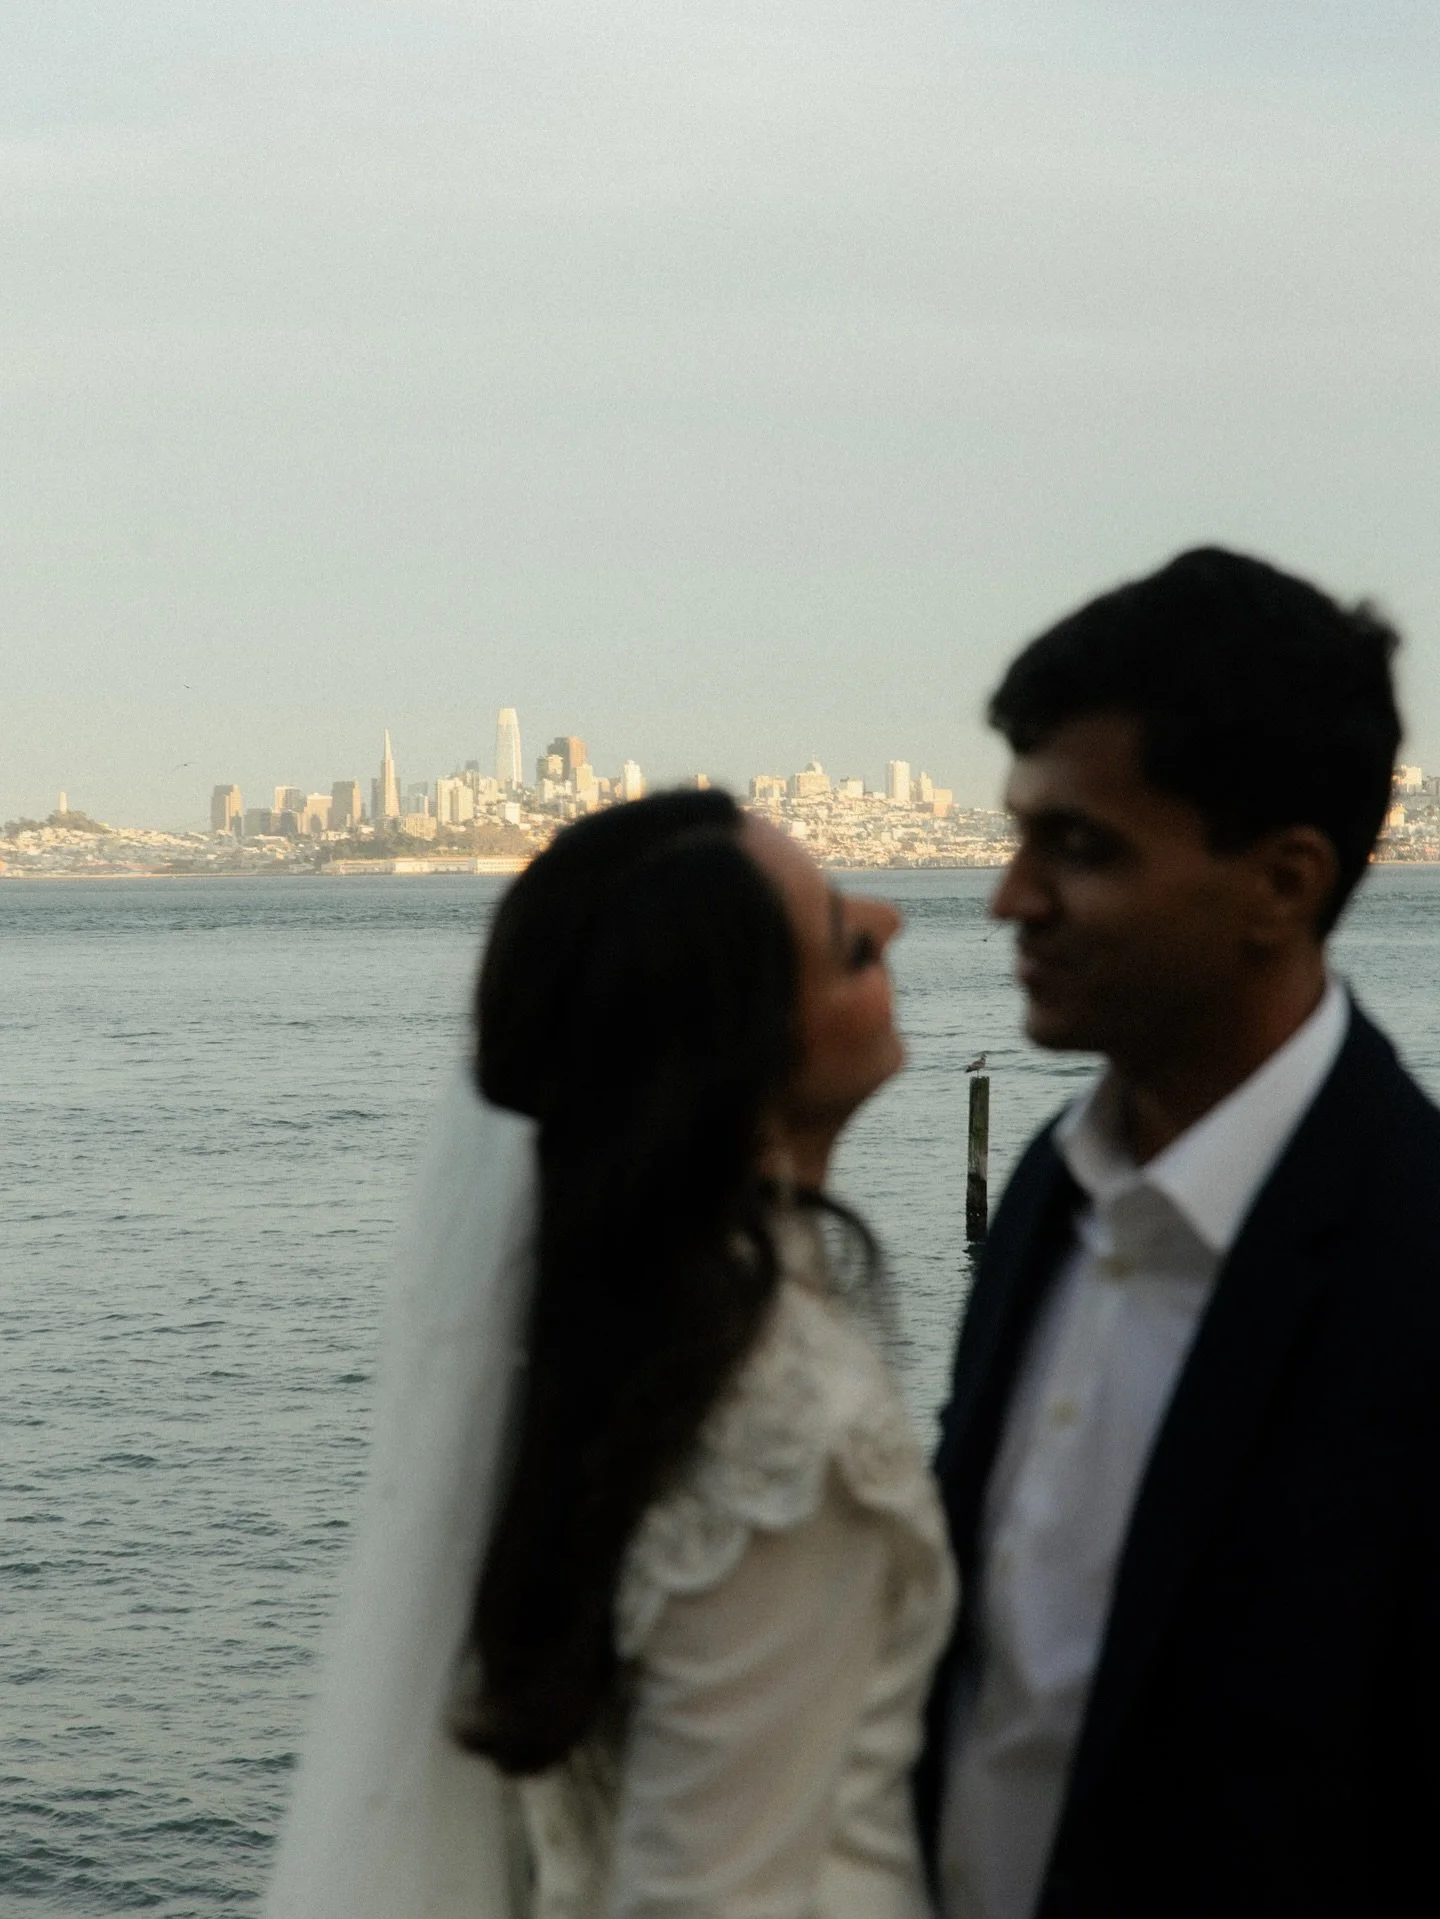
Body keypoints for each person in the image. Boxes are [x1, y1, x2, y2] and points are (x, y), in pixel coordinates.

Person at [265, 789, 956, 1919]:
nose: (892, 919)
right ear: (746, 1052)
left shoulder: (609, 1353)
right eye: (841, 936)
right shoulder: (785, 1430)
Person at [918, 546, 1440, 1919]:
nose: (1010, 897)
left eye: (1079, 846)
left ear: (1281, 882)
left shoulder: (1413, 1257)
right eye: (1018, 832)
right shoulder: (1050, 1189)